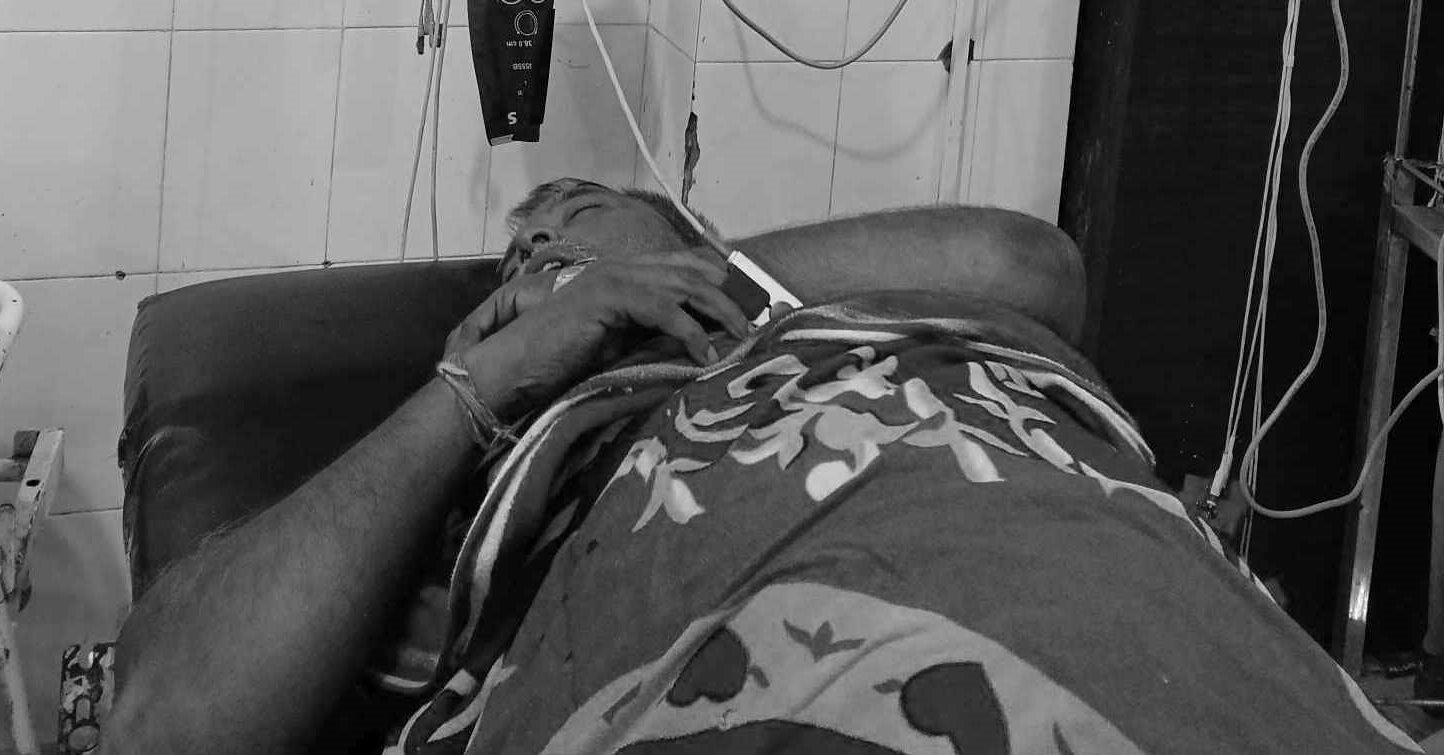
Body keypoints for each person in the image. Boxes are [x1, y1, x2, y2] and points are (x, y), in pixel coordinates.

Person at [103, 179, 1418, 754]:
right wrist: (486, 378)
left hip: (1042, 530)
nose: (544, 255)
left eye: (574, 222)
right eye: (525, 257)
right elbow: (167, 721)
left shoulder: (831, 315)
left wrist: (678, 285)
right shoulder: (498, 461)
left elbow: (1028, 266)